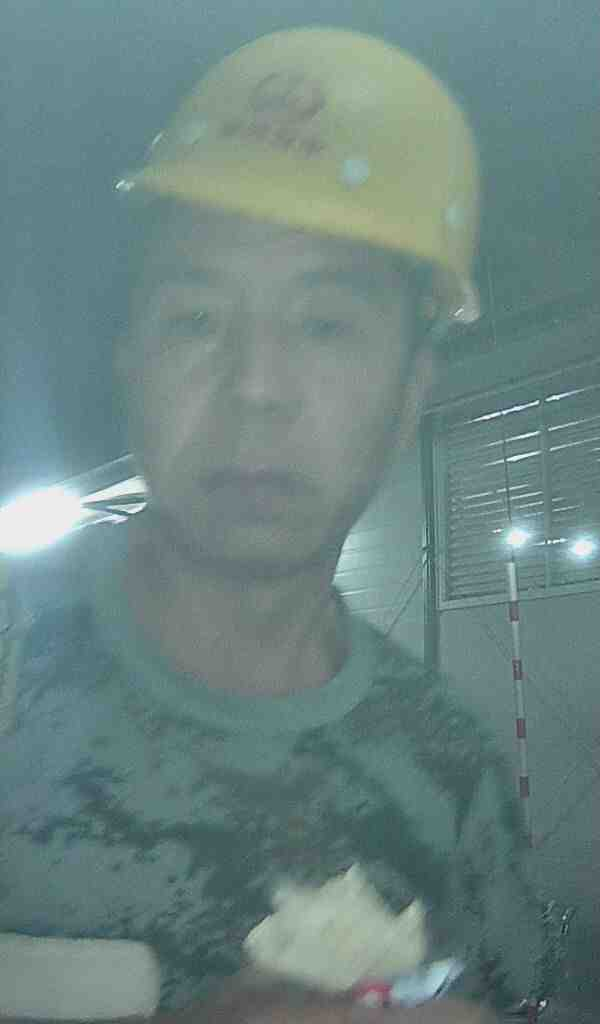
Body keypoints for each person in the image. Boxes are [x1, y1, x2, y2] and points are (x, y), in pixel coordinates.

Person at [1, 26, 545, 1024]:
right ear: (130, 363)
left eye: (326, 326)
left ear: (408, 393)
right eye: (197, 320)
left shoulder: (453, 775)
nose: (256, 388)